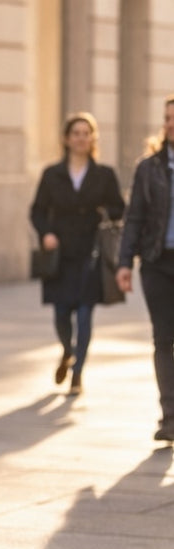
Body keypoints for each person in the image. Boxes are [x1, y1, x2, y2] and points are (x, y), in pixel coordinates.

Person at [30, 112, 124, 397]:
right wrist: (45, 233)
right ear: (67, 139)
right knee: (61, 313)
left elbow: (119, 208)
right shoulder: (51, 174)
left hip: (91, 252)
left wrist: (103, 213)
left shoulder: (104, 174)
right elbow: (37, 210)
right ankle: (67, 351)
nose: (81, 138)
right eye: (76, 133)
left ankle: (78, 374)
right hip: (60, 251)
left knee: (84, 314)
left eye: (86, 133)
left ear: (93, 138)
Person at [118, 95, 174, 442]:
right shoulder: (148, 168)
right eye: (167, 118)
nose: (170, 124)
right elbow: (134, 217)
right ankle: (169, 416)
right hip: (157, 262)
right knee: (163, 338)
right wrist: (124, 262)